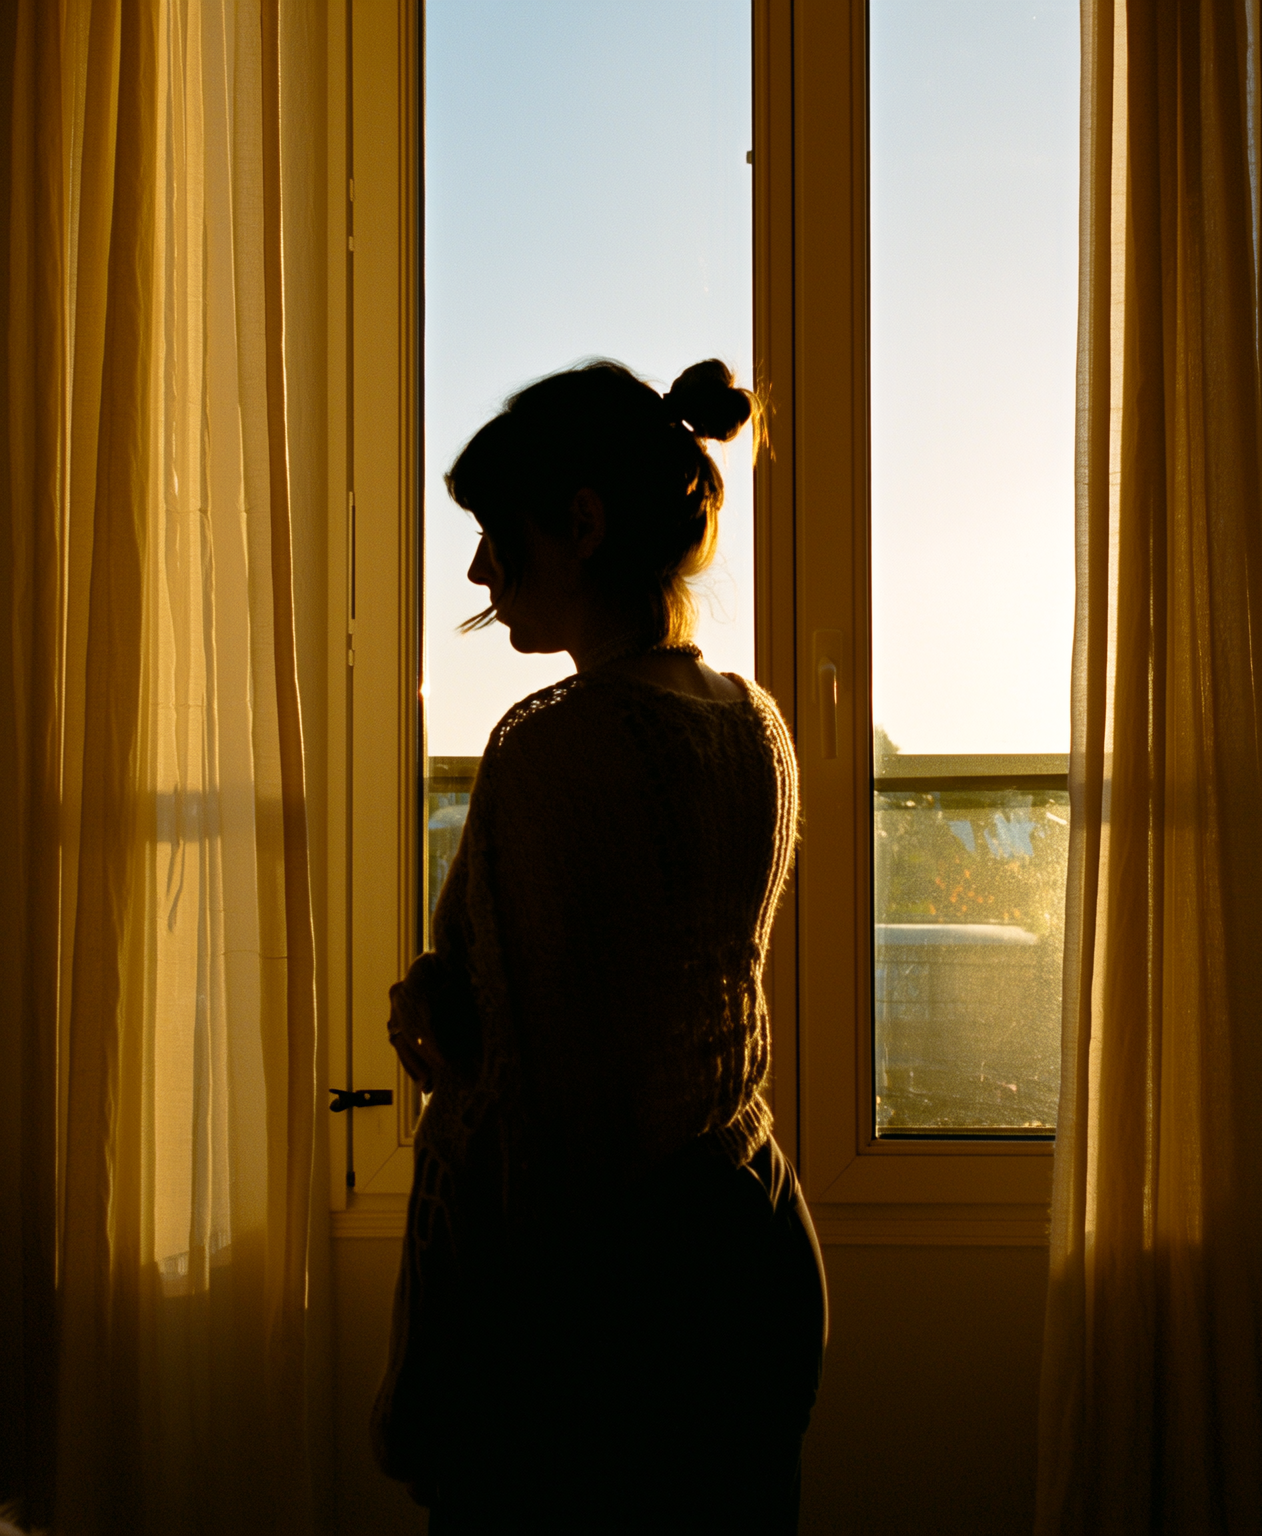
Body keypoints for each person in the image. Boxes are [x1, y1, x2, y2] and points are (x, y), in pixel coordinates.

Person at [372, 359, 826, 1534]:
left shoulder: (550, 752)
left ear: (579, 523)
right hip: (747, 1250)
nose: (476, 571)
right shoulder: (753, 724)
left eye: (492, 532)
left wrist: (436, 1019)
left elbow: (528, 1101)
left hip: (603, 1316)